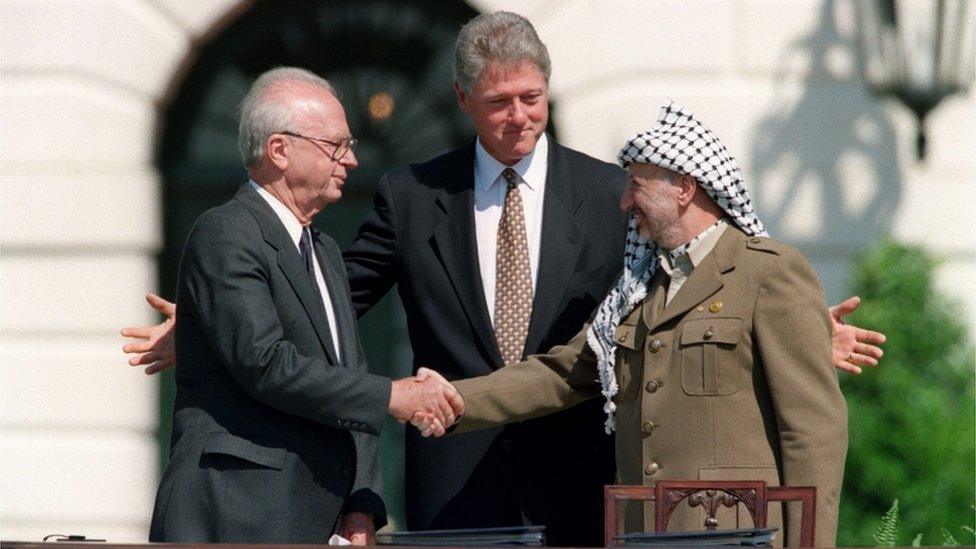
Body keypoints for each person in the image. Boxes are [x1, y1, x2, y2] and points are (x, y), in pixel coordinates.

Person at [124, 13, 883, 546]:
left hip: (586, 488)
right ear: (464, 102)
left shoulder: (604, 190)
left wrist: (808, 332)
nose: (519, 116)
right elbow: (322, 301)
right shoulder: (413, 193)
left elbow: (693, 295)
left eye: (532, 98)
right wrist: (209, 323)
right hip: (456, 491)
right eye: (499, 102)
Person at [418, 102, 850, 547]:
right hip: (643, 533)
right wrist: (454, 399)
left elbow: (813, 430)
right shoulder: (638, 289)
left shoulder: (768, 272)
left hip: (737, 534)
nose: (625, 203)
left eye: (636, 186)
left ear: (684, 188)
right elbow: (563, 372)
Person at [147, 67, 462, 544]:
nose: (352, 160)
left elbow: (347, 372)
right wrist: (393, 396)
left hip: (317, 519)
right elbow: (267, 364)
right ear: (279, 150)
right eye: (336, 146)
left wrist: (362, 504)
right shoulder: (225, 232)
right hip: (237, 514)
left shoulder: (325, 251)